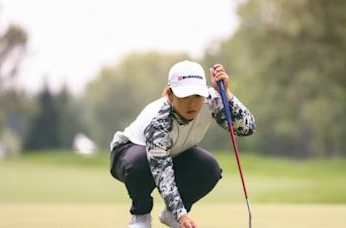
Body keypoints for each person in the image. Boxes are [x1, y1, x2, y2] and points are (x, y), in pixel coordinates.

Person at [109, 60, 255, 228]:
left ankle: (170, 215)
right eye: (184, 97)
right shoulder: (158, 122)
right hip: (127, 155)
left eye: (197, 96)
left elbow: (247, 128)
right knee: (140, 163)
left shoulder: (212, 100)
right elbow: (162, 172)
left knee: (209, 168)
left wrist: (226, 93)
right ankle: (140, 216)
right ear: (170, 95)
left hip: (175, 154)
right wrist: (182, 216)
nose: (192, 103)